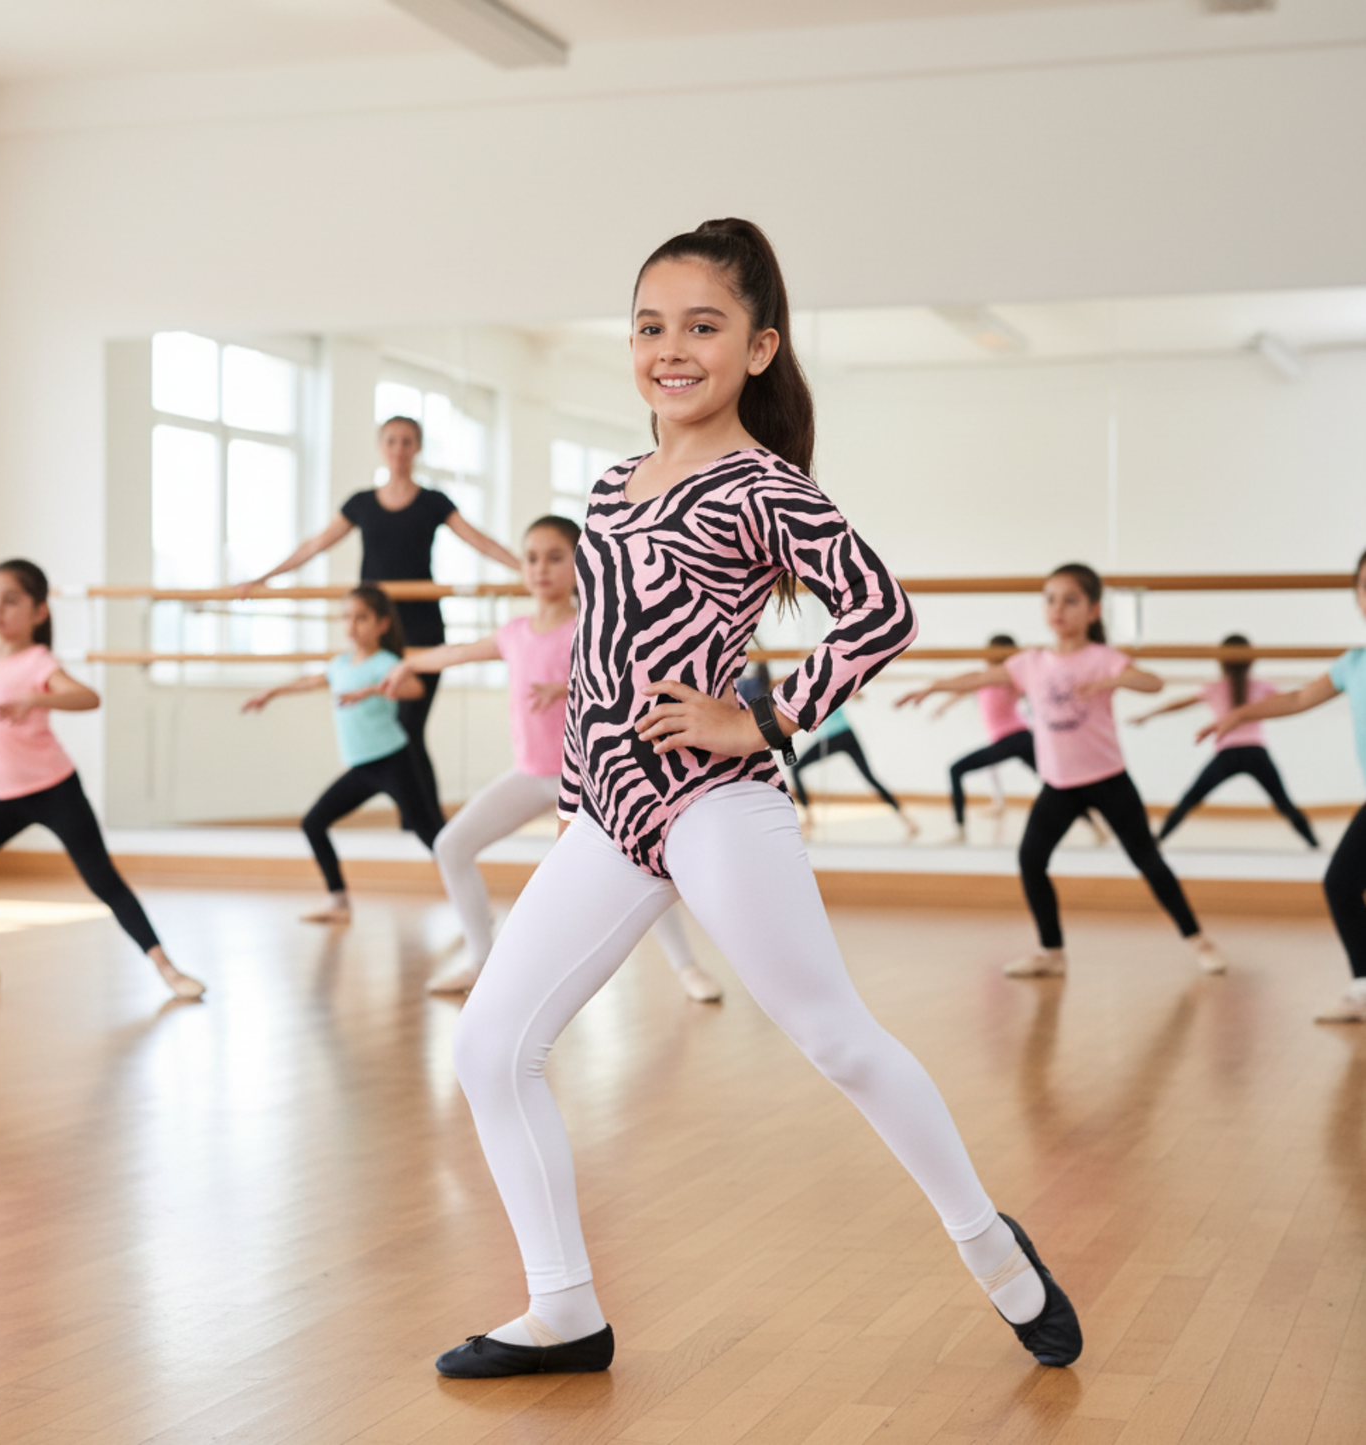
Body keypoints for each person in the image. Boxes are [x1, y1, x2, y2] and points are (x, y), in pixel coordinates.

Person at [432, 219, 1080, 1380]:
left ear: (758, 347)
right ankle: (564, 1308)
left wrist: (765, 717)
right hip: (612, 813)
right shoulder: (611, 480)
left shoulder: (766, 486)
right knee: (488, 1045)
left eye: (701, 326)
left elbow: (879, 613)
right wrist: (582, 794)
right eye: (648, 326)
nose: (668, 348)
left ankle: (993, 1247)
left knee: (833, 1038)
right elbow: (599, 655)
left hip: (714, 802)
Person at [363, 516, 723, 1002]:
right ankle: (479, 959)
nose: (541, 568)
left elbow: (629, 684)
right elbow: (459, 652)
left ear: (578, 565)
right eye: (531, 557)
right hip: (530, 775)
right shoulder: (514, 632)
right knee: (451, 845)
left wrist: (568, 686)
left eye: (555, 557)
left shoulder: (590, 628)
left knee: (639, 868)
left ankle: (687, 968)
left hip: (588, 782)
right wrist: (408, 661)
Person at [899, 564, 1226, 979]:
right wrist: (934, 686)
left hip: (1108, 779)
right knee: (1031, 860)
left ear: (1093, 610)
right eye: (1051, 599)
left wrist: (1115, 681)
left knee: (1146, 860)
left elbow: (1152, 683)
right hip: (1059, 785)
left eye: (1071, 600)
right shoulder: (1031, 662)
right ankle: (1051, 952)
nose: (1058, 608)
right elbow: (982, 676)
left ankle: (1199, 940)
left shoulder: (1103, 659)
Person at [0, 560, 205, 1000]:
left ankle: (168, 971)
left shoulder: (38, 661)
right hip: (6, 797)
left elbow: (88, 696)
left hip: (55, 791)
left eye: (11, 600)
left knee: (101, 880)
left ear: (39, 612)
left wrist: (34, 697)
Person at [241, 415, 522, 838]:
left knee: (411, 726)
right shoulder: (361, 503)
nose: (399, 449)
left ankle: (425, 824)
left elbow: (478, 540)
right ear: (381, 446)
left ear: (417, 448)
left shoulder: (432, 502)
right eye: (391, 441)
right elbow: (315, 544)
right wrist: (265, 578)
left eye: (407, 441)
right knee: (394, 730)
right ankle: (426, 823)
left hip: (423, 629)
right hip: (376, 630)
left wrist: (527, 571)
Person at [1197, 553, 1366, 1022]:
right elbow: (1296, 698)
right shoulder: (1353, 664)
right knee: (1340, 883)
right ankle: (1364, 986)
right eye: (1365, 586)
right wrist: (1241, 714)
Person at [242, 586, 437, 922]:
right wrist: (271, 692)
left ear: (382, 625)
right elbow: (308, 682)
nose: (353, 625)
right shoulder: (340, 664)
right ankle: (338, 902)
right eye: (347, 617)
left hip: (395, 762)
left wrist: (374, 689)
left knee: (432, 836)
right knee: (313, 823)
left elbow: (415, 687)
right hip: (362, 769)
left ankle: (471, 901)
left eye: (362, 618)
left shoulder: (386, 663)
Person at [1130, 634, 1317, 847]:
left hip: (1228, 754)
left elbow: (1178, 704)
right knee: (1284, 803)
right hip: (1256, 753)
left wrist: (1149, 714)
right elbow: (1289, 701)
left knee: (1189, 799)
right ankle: (1314, 844)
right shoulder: (1261, 686)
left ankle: (1159, 839)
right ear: (1251, 659)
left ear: (1220, 660)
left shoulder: (1215, 687)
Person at [933, 636, 1107, 846]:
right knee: (1056, 784)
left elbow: (1038, 687)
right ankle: (1096, 827)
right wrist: (942, 703)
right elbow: (961, 689)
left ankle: (959, 831)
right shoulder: (982, 677)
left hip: (1015, 737)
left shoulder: (1010, 678)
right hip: (1020, 739)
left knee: (956, 769)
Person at [789, 698, 919, 839]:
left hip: (833, 737)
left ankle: (809, 819)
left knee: (796, 769)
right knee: (870, 777)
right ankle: (907, 819)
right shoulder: (811, 692)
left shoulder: (810, 692)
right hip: (846, 734)